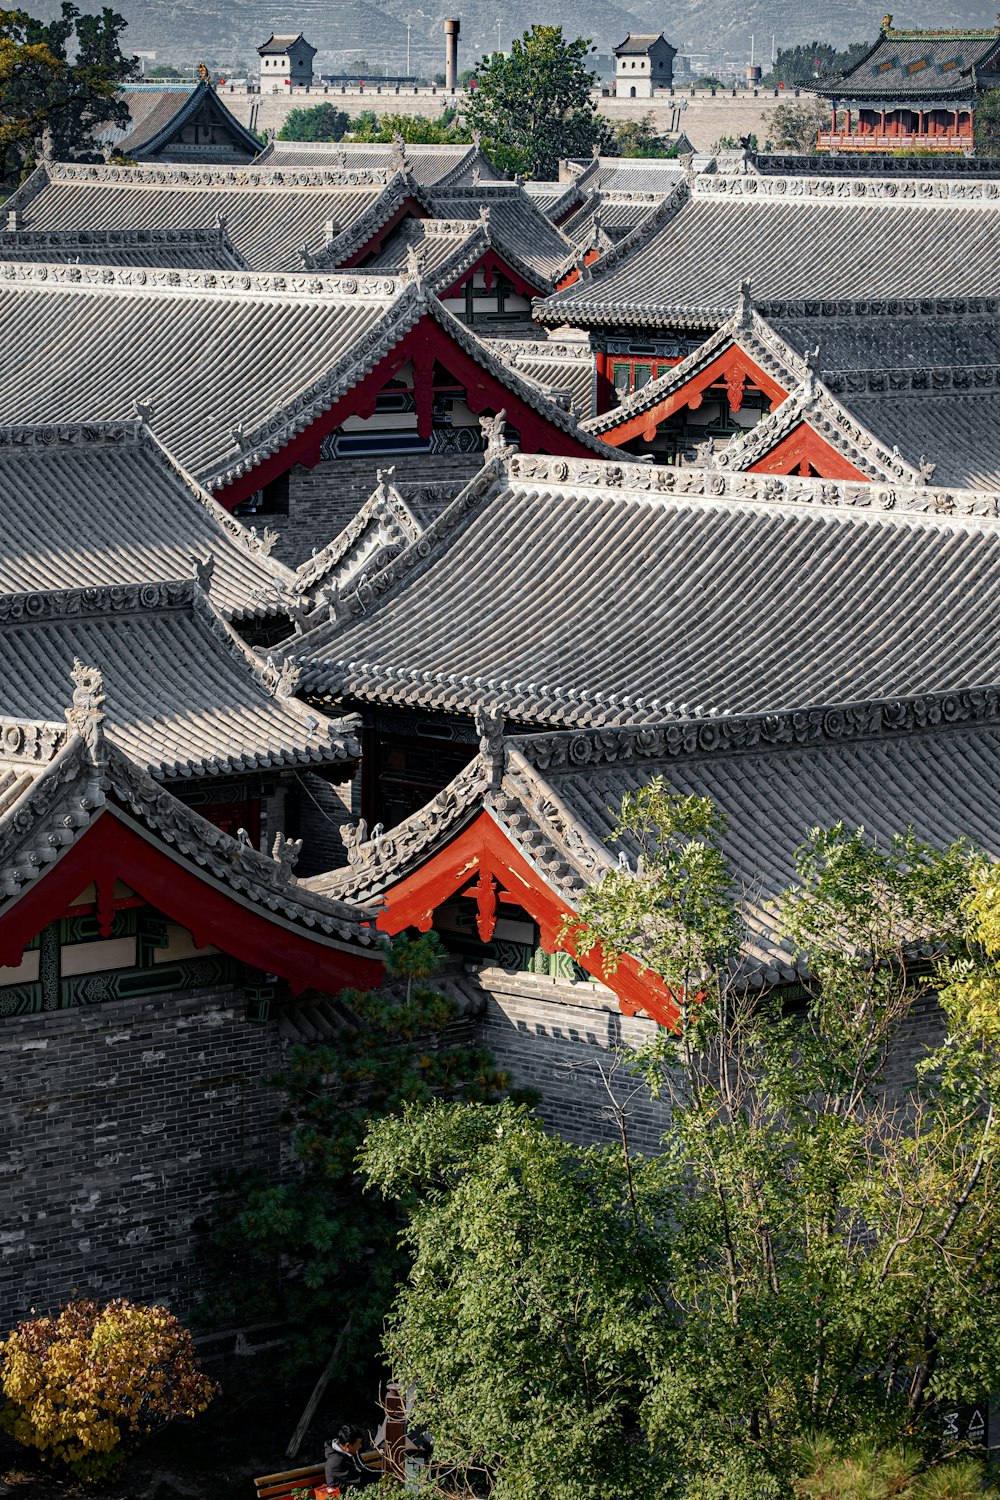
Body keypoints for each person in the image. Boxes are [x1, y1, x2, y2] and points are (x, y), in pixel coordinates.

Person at [324, 1424, 380, 1490]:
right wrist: (381, 1475)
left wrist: (381, 1471)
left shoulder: (350, 1451)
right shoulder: (335, 1462)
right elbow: (358, 1479)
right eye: (359, 1443)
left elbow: (363, 1469)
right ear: (347, 1446)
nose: (360, 1446)